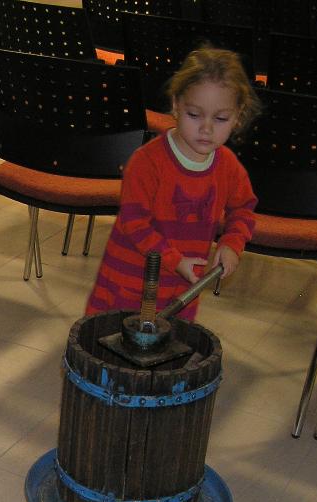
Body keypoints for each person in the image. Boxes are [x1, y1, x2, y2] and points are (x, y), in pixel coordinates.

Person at [85, 47, 260, 321]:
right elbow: (135, 224)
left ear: (238, 116)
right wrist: (175, 261)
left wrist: (231, 243)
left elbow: (243, 209)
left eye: (220, 119)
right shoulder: (147, 161)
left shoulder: (227, 166)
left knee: (171, 344)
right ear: (177, 105)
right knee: (115, 343)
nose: (206, 128)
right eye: (194, 115)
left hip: (181, 291)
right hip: (129, 285)